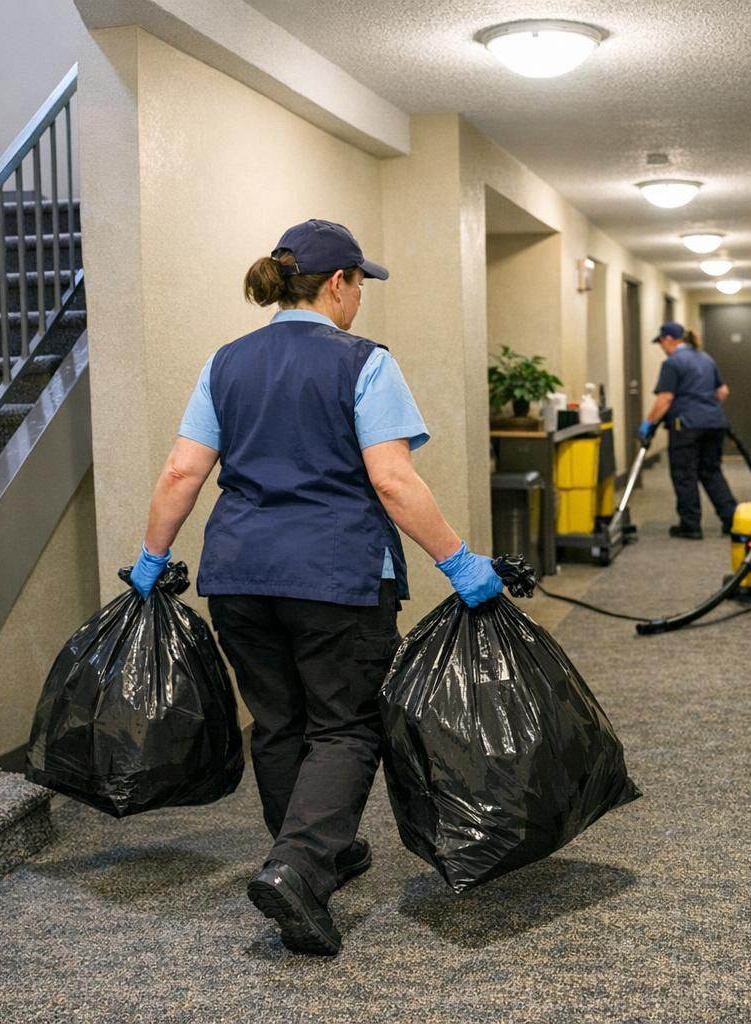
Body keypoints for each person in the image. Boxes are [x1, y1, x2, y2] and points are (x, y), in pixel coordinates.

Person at [125, 219, 503, 956]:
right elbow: (393, 480)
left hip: (237, 575)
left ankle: (309, 851)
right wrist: (460, 562)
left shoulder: (225, 362)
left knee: (277, 722)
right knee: (345, 725)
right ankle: (299, 868)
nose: (360, 298)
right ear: (337, 284)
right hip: (336, 574)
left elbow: (181, 472)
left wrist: (149, 558)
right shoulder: (363, 361)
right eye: (360, 283)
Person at [638, 321, 737, 539]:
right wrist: (704, 405)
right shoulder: (705, 358)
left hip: (686, 426)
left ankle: (690, 525)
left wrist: (648, 424)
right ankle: (731, 519)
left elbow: (665, 399)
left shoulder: (673, 363)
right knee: (711, 471)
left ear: (669, 340)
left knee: (684, 474)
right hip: (714, 424)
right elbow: (723, 392)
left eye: (661, 343)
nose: (662, 348)